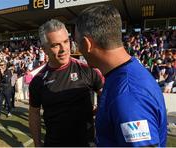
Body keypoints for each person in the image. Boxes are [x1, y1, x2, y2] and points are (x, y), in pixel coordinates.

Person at [75, 4, 167, 147]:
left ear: (87, 44)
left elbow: (129, 104)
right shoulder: (124, 75)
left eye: (77, 43)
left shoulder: (128, 95)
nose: (78, 49)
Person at [29, 19, 104, 147]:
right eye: (55, 45)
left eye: (66, 41)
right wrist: (37, 144)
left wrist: (99, 109)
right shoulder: (38, 81)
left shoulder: (88, 70)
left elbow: (108, 96)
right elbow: (34, 114)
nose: (64, 49)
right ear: (44, 49)